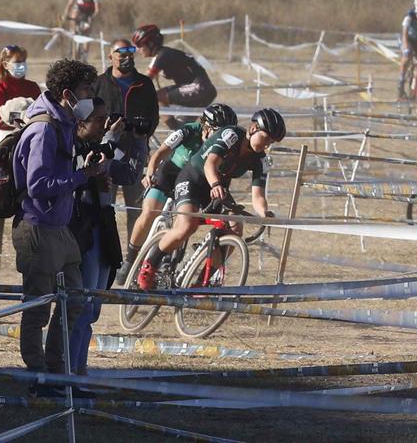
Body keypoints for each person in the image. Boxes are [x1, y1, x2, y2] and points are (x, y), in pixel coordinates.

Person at [11, 58, 106, 389]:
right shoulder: (44, 129)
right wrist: (82, 176)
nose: (90, 97)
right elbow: (38, 185)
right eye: (86, 90)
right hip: (38, 226)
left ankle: (56, 370)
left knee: (75, 302)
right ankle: (39, 375)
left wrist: (83, 166)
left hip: (61, 229)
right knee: (38, 307)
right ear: (68, 92)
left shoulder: (63, 122)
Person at [136, 107, 284, 289]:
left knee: (235, 226)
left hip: (217, 187)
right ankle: (150, 264)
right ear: (253, 128)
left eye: (272, 141)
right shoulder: (231, 135)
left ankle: (203, 281)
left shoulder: (260, 159)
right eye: (267, 138)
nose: (267, 145)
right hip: (194, 178)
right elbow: (210, 164)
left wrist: (264, 213)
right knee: (187, 225)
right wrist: (215, 185)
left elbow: (258, 194)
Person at [65, 103, 137, 381]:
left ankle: (80, 368)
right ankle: (71, 371)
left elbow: (127, 173)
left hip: (103, 228)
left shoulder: (104, 145)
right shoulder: (72, 146)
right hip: (83, 228)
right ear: (80, 123)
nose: (105, 125)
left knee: (93, 307)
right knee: (80, 306)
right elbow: (83, 171)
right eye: (98, 120)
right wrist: (110, 141)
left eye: (107, 120)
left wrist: (129, 140)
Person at [130, 104, 237, 257]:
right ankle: (130, 256)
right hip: (170, 173)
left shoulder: (224, 145)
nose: (222, 137)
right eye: (218, 132)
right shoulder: (188, 130)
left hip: (193, 181)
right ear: (205, 127)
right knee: (149, 212)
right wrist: (150, 173)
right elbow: (160, 152)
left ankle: (169, 256)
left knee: (184, 221)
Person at [92, 40, 159, 244]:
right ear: (110, 56)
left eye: (129, 52)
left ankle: (134, 256)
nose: (125, 57)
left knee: (137, 210)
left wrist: (141, 135)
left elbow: (153, 117)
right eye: (119, 53)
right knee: (104, 206)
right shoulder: (98, 84)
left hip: (134, 154)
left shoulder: (144, 83)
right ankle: (104, 251)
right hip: (104, 154)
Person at [0, 48, 40, 267]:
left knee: (25, 200)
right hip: (3, 146)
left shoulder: (32, 87)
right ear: (5, 63)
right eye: (17, 62)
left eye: (24, 62)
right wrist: (17, 121)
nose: (22, 66)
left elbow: (40, 110)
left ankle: (26, 250)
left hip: (27, 144)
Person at [132, 25, 215, 110]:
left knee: (156, 96)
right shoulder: (162, 54)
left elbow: (144, 81)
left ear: (150, 43)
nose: (137, 49)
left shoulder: (162, 55)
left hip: (201, 88)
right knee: (182, 123)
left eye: (139, 45)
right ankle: (175, 124)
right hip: (198, 88)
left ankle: (172, 123)